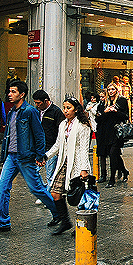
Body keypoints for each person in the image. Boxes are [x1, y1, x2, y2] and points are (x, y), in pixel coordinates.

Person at [0, 80, 59, 232]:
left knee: (37, 189)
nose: (10, 94)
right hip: (11, 157)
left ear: (22, 94)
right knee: (2, 188)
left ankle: (59, 214)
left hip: (25, 157)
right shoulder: (11, 112)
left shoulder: (30, 111)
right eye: (9, 91)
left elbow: (39, 134)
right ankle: (3, 222)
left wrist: (39, 155)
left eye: (13, 92)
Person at [43, 98, 92, 235]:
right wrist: (46, 156)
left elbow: (83, 149)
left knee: (79, 197)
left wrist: (84, 169)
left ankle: (82, 225)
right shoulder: (63, 124)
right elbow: (58, 144)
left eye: (68, 108)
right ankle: (65, 221)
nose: (65, 110)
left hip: (77, 164)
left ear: (75, 109)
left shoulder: (83, 126)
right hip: (63, 163)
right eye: (64, 107)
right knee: (55, 193)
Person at [95, 83, 129, 187]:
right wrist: (105, 111)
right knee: (113, 155)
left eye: (113, 89)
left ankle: (112, 180)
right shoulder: (104, 103)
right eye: (109, 89)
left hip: (117, 132)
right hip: (106, 133)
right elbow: (98, 119)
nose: (111, 91)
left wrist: (115, 111)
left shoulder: (121, 101)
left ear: (116, 90)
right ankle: (124, 171)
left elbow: (125, 116)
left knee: (113, 153)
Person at [32, 90, 65, 193]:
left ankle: (49, 195)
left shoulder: (56, 112)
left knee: (50, 173)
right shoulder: (36, 112)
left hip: (51, 147)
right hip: (39, 148)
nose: (37, 105)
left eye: (39, 103)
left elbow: (61, 131)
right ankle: (45, 190)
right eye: (35, 103)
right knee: (34, 172)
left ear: (46, 101)